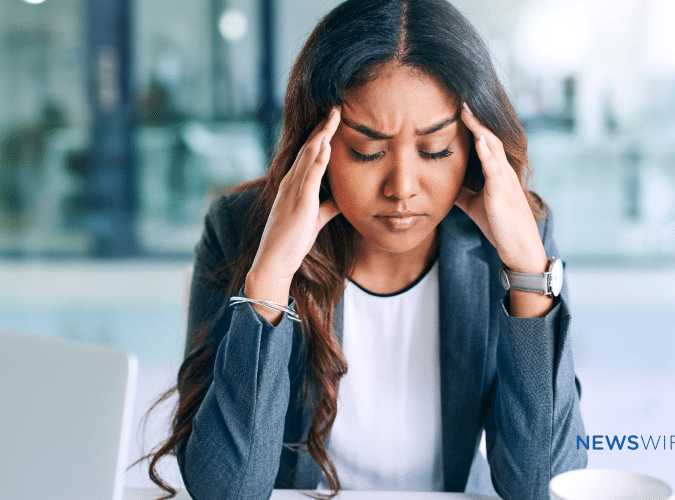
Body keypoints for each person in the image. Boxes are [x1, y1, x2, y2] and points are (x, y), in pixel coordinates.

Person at [143, 1, 587, 499]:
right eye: (367, 151)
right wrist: (270, 276)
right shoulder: (239, 228)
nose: (402, 188)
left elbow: (542, 486)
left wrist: (528, 271)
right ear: (318, 143)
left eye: (436, 150)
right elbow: (228, 490)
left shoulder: (513, 240)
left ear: (475, 146)